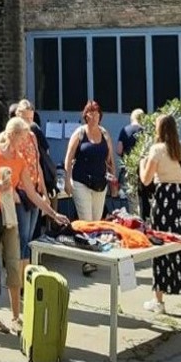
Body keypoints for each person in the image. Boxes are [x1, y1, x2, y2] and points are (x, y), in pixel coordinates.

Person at [0, 118, 70, 335]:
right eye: (22, 137)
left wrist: (53, 213)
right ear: (12, 135)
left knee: (14, 263)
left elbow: (31, 193)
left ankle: (16, 318)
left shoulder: (19, 160)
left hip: (9, 216)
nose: (25, 142)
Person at [139, 113, 181, 318]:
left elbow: (146, 179)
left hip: (163, 199)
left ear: (160, 130)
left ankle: (158, 300)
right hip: (180, 199)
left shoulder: (156, 150)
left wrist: (142, 164)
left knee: (161, 247)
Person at [62, 100, 115, 275]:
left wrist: (113, 181)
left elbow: (110, 159)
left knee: (97, 221)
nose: (94, 116)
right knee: (86, 220)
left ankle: (93, 255)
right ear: (85, 115)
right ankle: (88, 260)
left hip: (100, 183)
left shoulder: (105, 134)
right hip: (81, 182)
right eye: (91, 113)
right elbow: (68, 159)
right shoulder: (79, 133)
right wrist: (68, 181)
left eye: (97, 113)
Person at [13, 99, 51, 272]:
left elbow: (37, 165)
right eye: (25, 118)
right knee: (22, 236)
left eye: (30, 118)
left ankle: (25, 273)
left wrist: (44, 191)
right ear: (17, 116)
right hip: (21, 191)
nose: (28, 122)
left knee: (30, 237)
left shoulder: (33, 136)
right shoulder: (12, 137)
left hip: (34, 191)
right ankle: (18, 277)